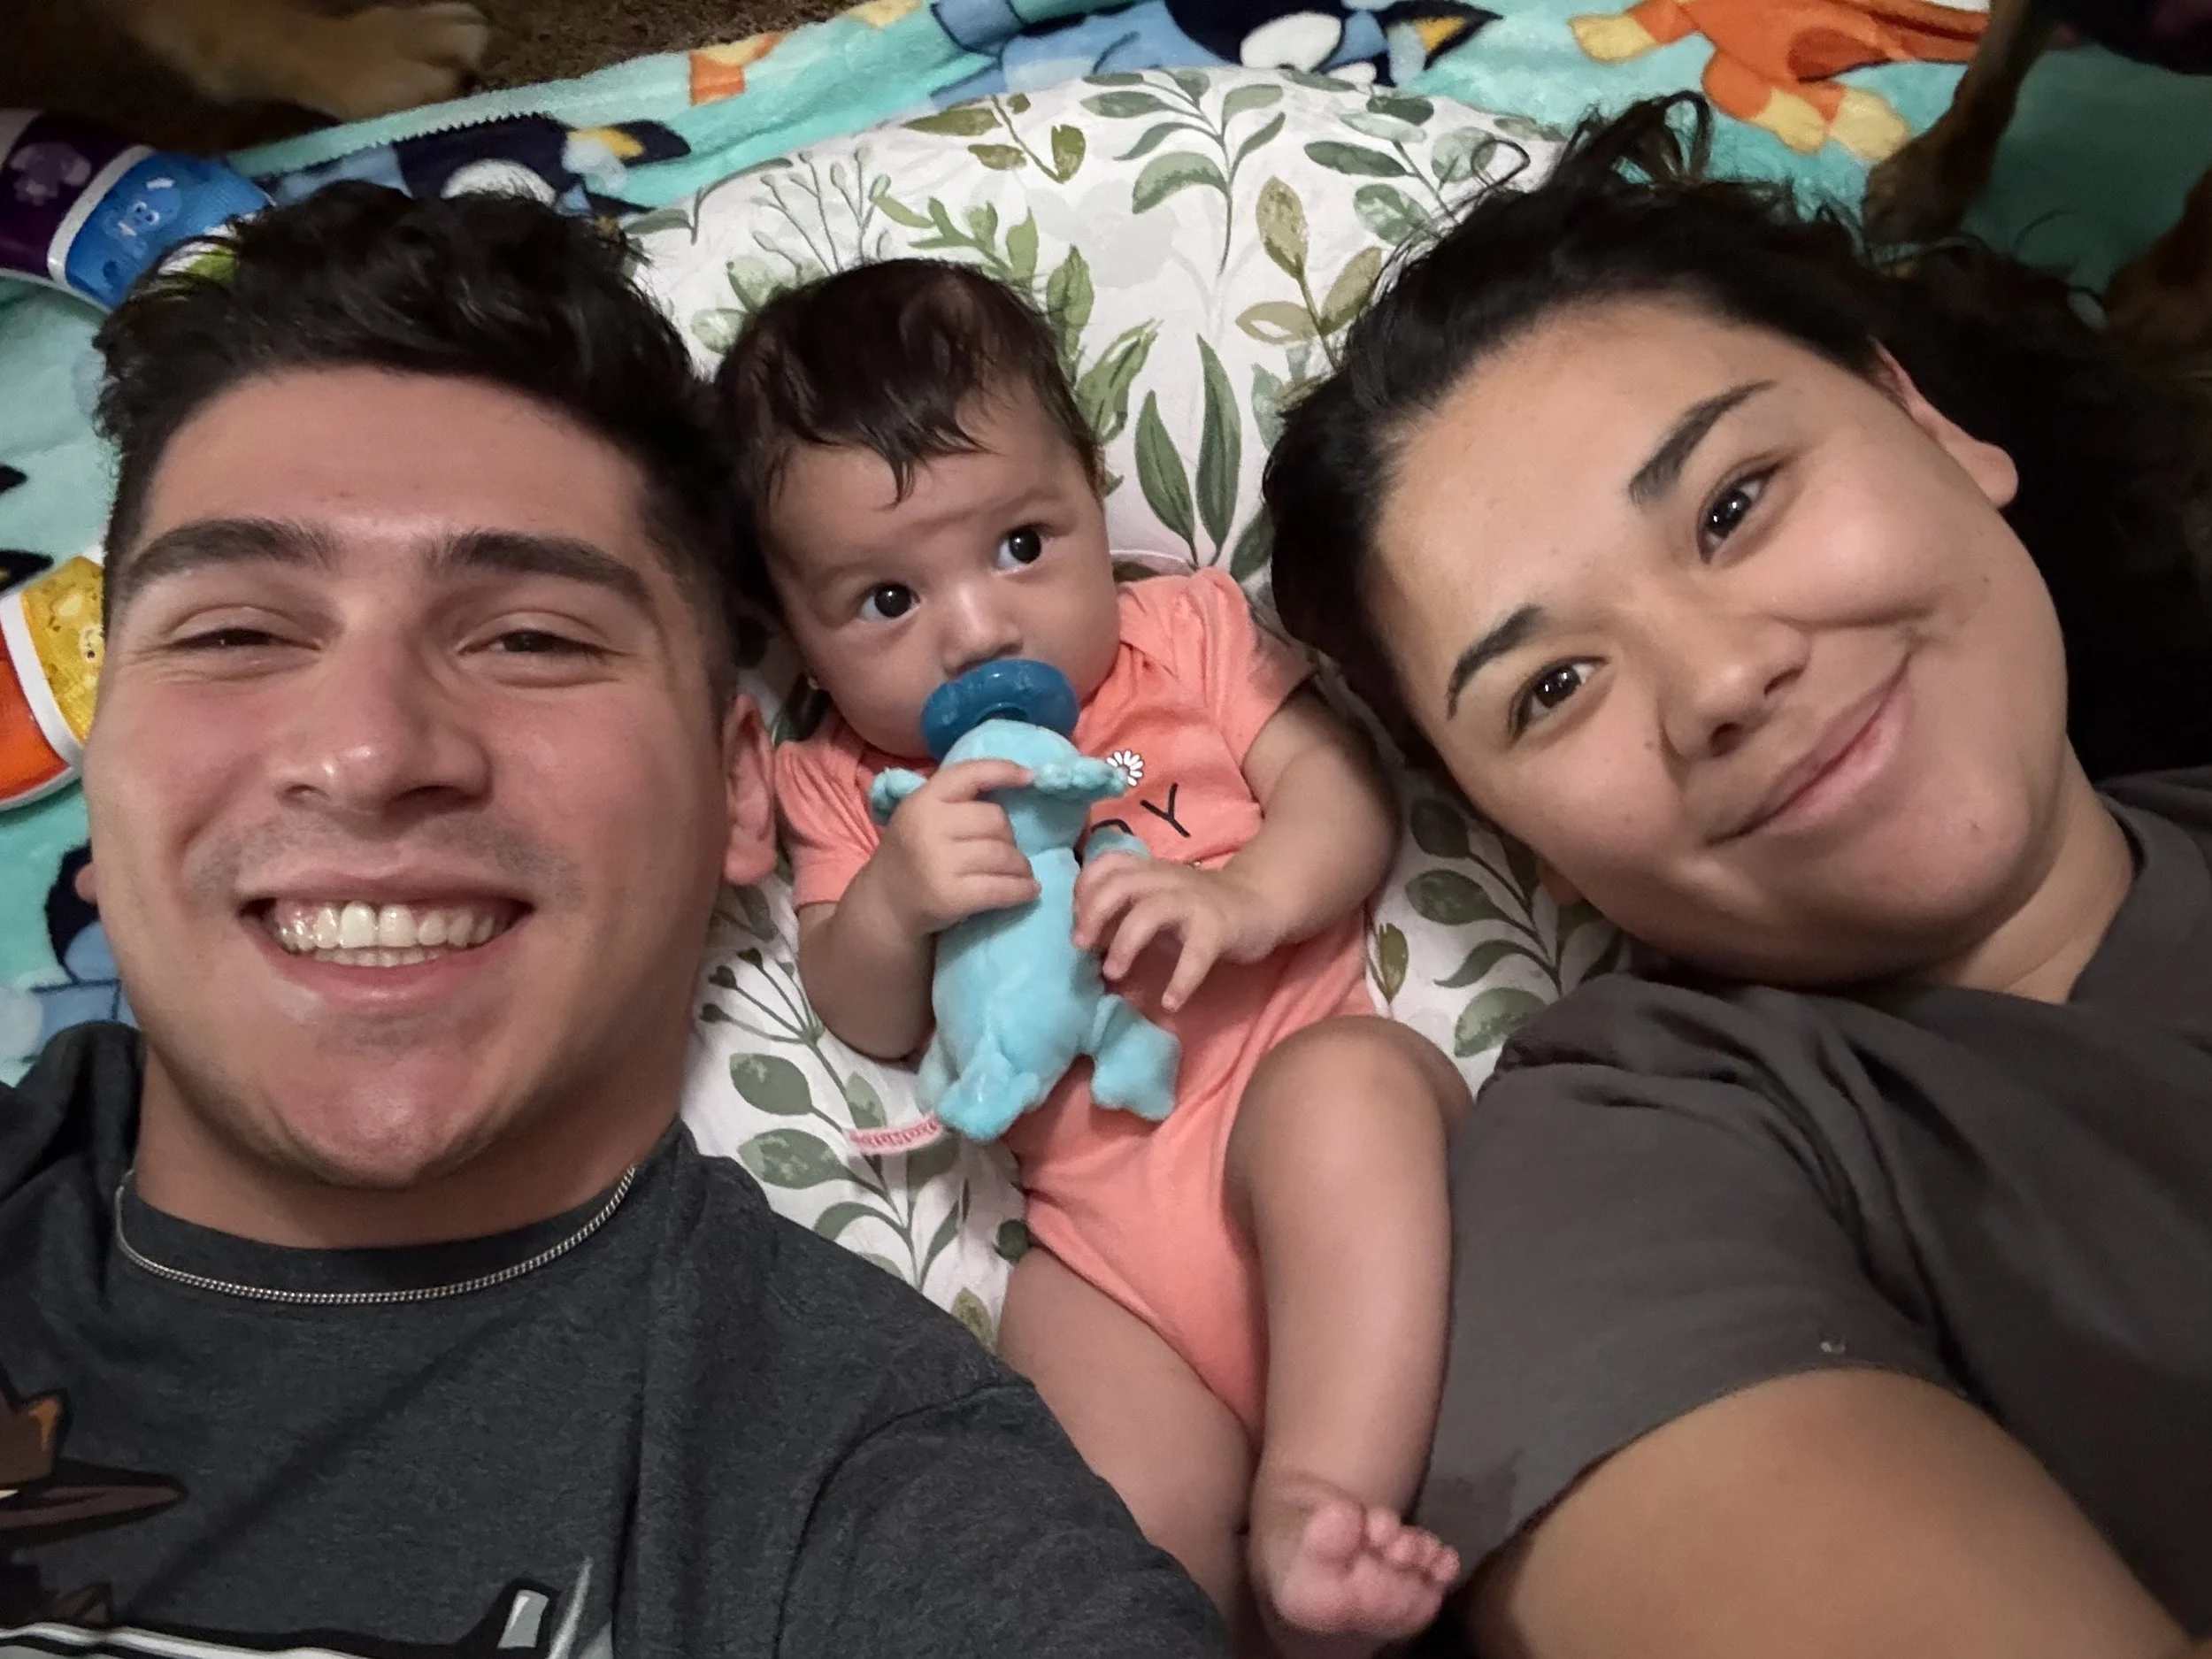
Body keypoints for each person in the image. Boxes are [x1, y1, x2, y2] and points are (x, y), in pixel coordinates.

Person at [0, 182, 1226, 1657]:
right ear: (108, 734)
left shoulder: (871, 1485)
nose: (371, 749)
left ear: (736, 793)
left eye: (530, 637)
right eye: (238, 633)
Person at [1266, 95, 2212, 1657]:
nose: (1715, 679)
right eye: (1551, 689)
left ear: (1929, 425)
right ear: (1519, 837)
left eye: (1733, 503)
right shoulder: (1637, 1162)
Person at [713, 259, 1470, 1656]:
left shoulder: (1182, 633)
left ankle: (1321, 1497)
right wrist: (895, 900)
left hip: (1299, 1117)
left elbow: (1346, 804)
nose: (976, 627)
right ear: (786, 622)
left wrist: (1243, 898)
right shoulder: (842, 782)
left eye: (1021, 546)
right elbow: (861, 1009)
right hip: (1107, 1244)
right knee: (1083, 1490)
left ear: (1091, 493)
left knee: (1352, 1091)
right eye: (884, 599)